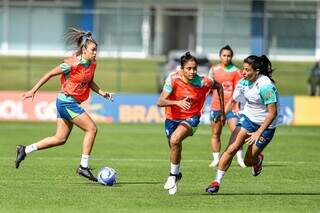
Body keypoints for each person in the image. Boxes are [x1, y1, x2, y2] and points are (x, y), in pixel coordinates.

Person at [15, 28, 113, 182]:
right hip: (67, 102)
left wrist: (102, 92)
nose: (95, 53)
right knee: (92, 128)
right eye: (93, 50)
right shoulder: (71, 64)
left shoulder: (92, 64)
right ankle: (83, 167)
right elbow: (49, 74)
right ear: (84, 49)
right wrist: (33, 91)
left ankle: (25, 149)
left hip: (69, 103)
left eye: (96, 50)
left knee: (60, 138)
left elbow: (89, 82)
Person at [205, 55, 279, 194]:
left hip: (266, 126)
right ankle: (216, 182)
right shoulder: (243, 82)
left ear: (256, 71)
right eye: (243, 69)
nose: (243, 72)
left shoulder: (265, 86)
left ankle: (257, 161)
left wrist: (258, 132)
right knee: (231, 148)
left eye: (246, 70)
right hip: (248, 119)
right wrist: (223, 114)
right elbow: (232, 101)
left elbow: (272, 113)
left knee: (248, 161)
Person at [157, 52, 225, 195]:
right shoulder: (172, 79)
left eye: (194, 68)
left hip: (191, 118)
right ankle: (177, 175)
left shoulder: (203, 82)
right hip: (171, 119)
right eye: (188, 68)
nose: (192, 72)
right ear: (181, 68)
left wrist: (222, 111)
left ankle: (172, 175)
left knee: (175, 140)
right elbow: (160, 101)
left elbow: (219, 87)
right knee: (174, 145)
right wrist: (177, 102)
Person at [208, 45, 246, 168]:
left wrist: (238, 106)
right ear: (220, 56)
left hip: (232, 108)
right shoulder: (214, 69)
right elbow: (208, 87)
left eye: (229, 55)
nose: (226, 58)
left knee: (237, 133)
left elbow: (239, 90)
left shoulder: (237, 71)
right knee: (215, 133)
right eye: (224, 55)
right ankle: (216, 159)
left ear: (231, 57)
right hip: (216, 107)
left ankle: (240, 158)